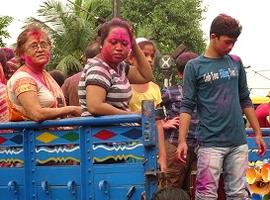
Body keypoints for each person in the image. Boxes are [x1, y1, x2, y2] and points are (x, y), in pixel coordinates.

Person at [176, 14, 266, 199]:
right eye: (227, 42)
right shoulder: (194, 67)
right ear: (213, 36)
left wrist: (257, 132)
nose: (231, 46)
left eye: (234, 42)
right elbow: (186, 105)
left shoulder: (236, 62)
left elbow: (245, 99)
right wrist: (182, 140)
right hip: (209, 143)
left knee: (238, 193)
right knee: (206, 194)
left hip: (238, 142)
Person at [78, 18, 153, 116]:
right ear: (102, 43)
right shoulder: (98, 68)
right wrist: (132, 115)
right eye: (113, 42)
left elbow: (146, 76)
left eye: (125, 44)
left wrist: (133, 43)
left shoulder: (120, 67)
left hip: (119, 129)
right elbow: (95, 107)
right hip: (103, 130)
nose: (119, 48)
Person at [7, 23, 81, 122]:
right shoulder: (22, 79)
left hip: (57, 136)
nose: (40, 49)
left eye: (43, 45)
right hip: (32, 137)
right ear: (22, 54)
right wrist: (72, 109)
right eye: (34, 46)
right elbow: (36, 114)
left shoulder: (44, 74)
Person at [160, 52, 199, 195]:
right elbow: (149, 109)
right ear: (181, 75)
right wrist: (163, 123)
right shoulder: (170, 92)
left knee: (193, 188)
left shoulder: (206, 93)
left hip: (198, 148)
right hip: (174, 145)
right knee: (170, 188)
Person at [128, 37, 166, 172]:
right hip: (127, 146)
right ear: (131, 58)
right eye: (144, 55)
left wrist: (162, 156)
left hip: (151, 147)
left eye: (152, 56)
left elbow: (159, 124)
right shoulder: (123, 86)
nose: (149, 59)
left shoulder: (155, 88)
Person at [61, 41, 100, 106]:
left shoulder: (69, 81)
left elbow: (60, 103)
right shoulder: (109, 78)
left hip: (75, 115)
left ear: (85, 58)